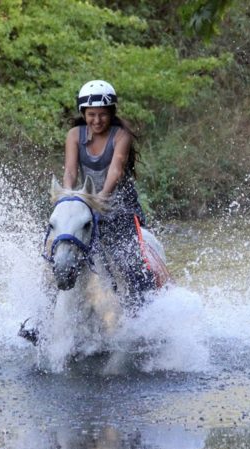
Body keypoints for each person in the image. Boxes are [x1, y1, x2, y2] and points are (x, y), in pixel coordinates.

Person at [62, 79, 156, 309]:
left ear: (111, 113)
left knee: (130, 263)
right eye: (91, 114)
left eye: (102, 114)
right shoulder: (74, 135)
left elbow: (116, 170)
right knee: (59, 254)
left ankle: (145, 310)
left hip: (121, 209)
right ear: (83, 113)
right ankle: (41, 320)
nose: (96, 120)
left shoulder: (121, 135)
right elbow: (70, 171)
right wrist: (67, 197)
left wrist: (101, 198)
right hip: (88, 205)